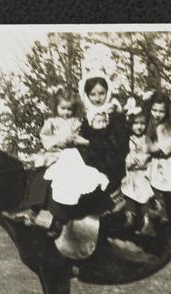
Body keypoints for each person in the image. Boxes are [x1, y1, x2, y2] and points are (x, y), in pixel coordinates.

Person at [42, 72, 130, 238]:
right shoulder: (84, 117)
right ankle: (61, 216)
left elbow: (118, 145)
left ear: (108, 92)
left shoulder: (115, 115)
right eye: (93, 94)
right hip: (89, 156)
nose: (97, 98)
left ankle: (106, 214)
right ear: (87, 95)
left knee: (86, 173)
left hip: (110, 159)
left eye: (101, 93)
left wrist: (87, 143)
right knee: (63, 169)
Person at [144, 92, 171, 218]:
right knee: (148, 178)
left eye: (161, 111)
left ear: (167, 112)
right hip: (155, 159)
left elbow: (165, 148)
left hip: (168, 159)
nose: (157, 114)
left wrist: (147, 147)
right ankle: (160, 206)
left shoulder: (168, 126)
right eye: (154, 110)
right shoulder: (150, 123)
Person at [120, 97, 155, 234]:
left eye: (142, 124)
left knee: (144, 194)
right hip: (131, 172)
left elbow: (150, 153)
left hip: (143, 172)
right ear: (130, 124)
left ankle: (147, 220)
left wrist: (143, 160)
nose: (139, 127)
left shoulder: (147, 139)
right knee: (129, 192)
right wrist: (130, 161)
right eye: (136, 123)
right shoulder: (128, 139)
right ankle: (129, 216)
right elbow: (125, 155)